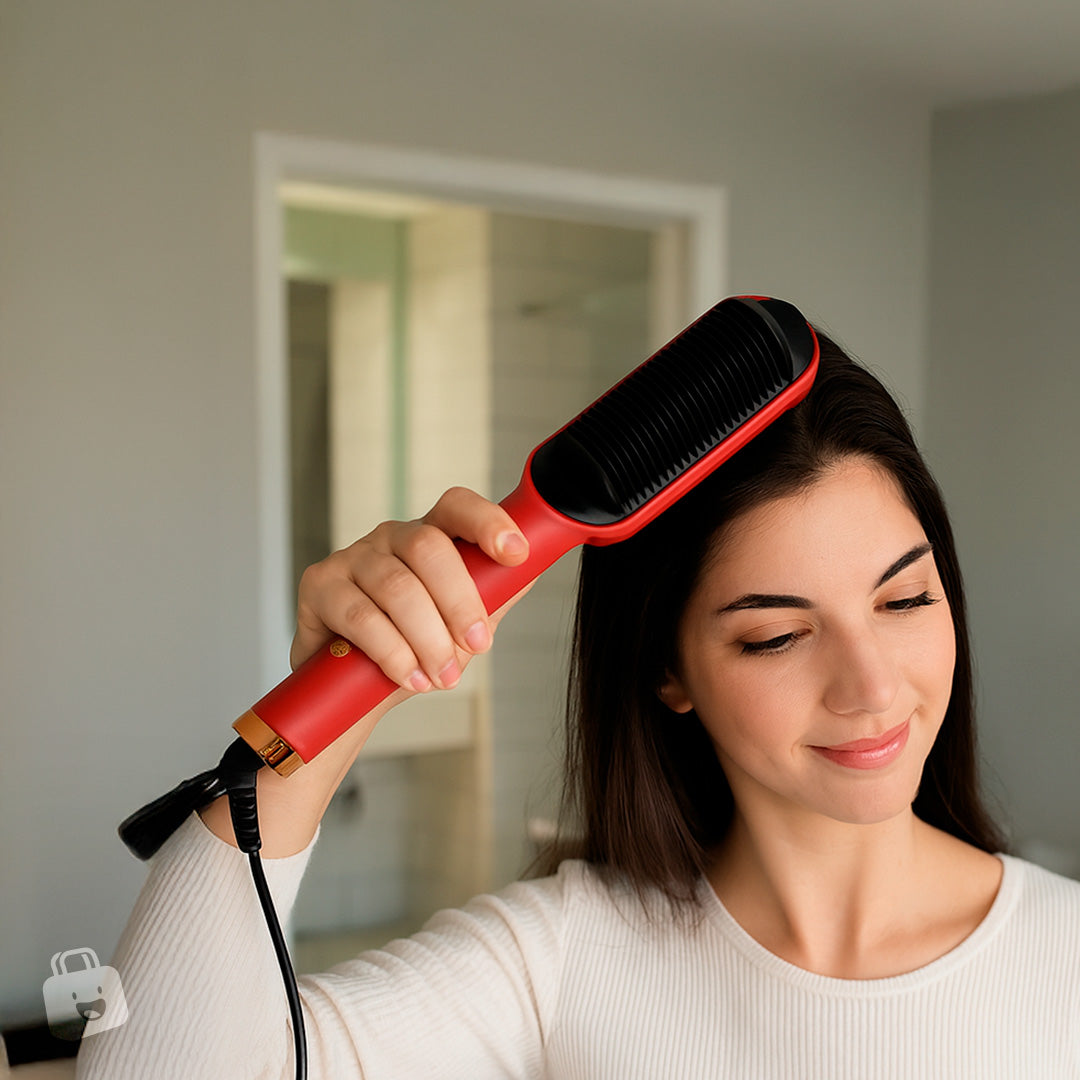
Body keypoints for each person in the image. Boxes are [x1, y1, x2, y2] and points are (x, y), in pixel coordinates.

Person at [77, 331, 1080, 1079]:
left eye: (907, 598)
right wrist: (351, 693)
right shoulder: (563, 960)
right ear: (667, 670)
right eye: (775, 635)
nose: (872, 686)